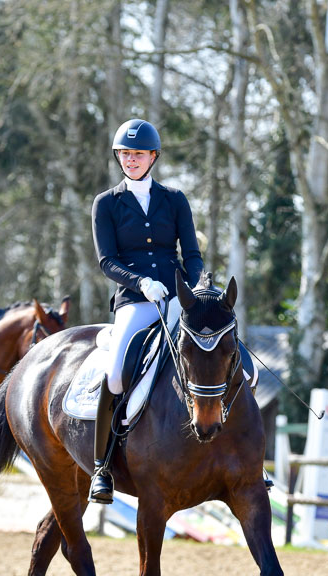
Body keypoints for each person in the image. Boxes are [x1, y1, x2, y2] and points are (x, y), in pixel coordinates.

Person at [88, 118, 204, 504]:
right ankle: (102, 466)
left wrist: (190, 288)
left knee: (220, 352)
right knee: (117, 371)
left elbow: (192, 254)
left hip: (176, 297)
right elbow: (107, 261)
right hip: (135, 302)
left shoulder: (175, 199)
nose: (131, 160)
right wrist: (140, 283)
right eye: (125, 154)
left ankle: (254, 458)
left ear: (153, 156)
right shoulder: (106, 203)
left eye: (138, 154)